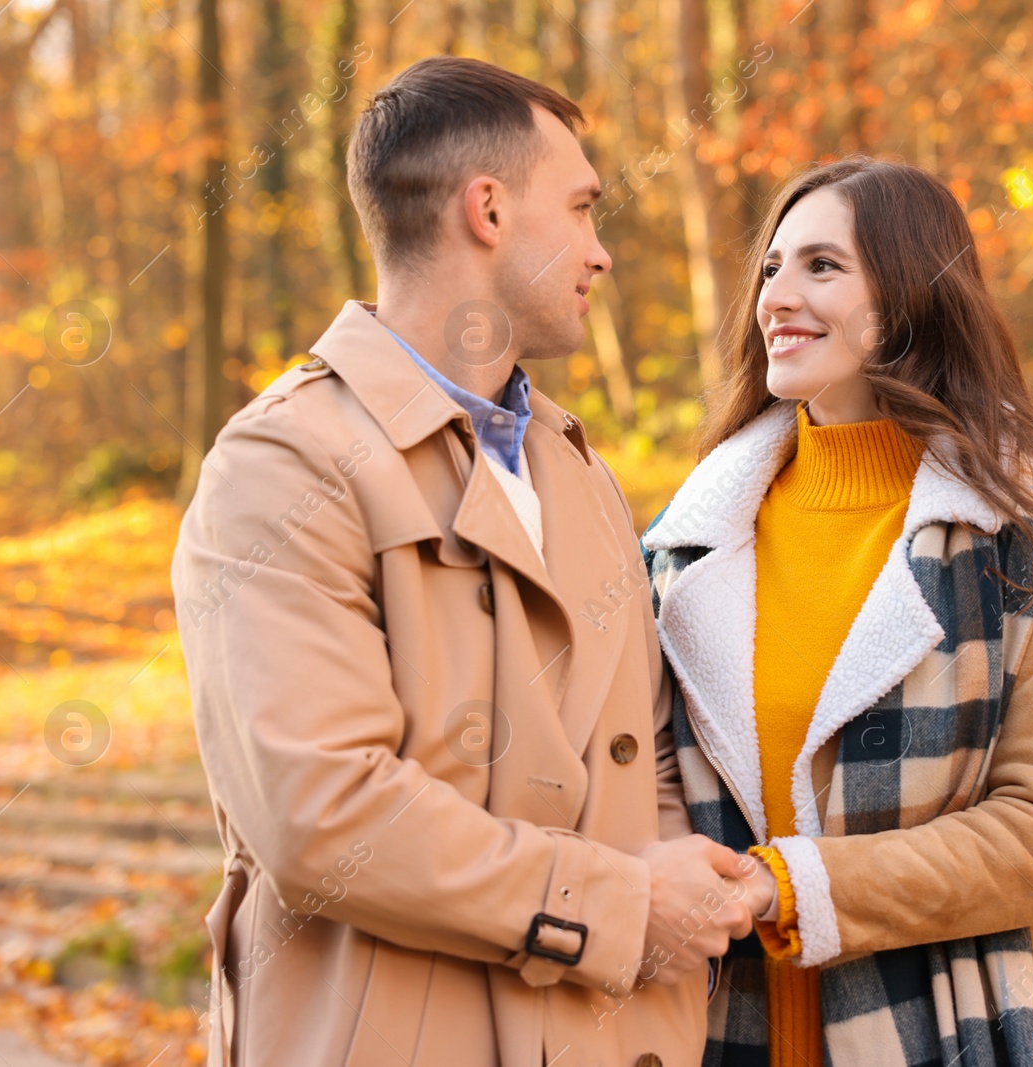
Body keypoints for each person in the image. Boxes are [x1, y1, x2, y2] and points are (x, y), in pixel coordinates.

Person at [173, 56, 768, 1067]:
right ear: (486, 209)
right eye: (581, 208)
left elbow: (648, 748)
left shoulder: (575, 469)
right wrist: (619, 907)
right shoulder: (283, 463)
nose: (602, 250)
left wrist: (677, 895)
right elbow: (322, 814)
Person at [641, 156, 1033, 1066]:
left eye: (822, 267)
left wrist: (783, 886)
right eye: (772, 267)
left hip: (946, 1031)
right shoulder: (687, 538)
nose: (777, 295)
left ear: (914, 296)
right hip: (710, 1030)